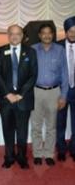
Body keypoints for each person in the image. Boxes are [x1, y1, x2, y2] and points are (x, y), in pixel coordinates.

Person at [0, 25, 38, 169]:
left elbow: (33, 75)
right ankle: (9, 157)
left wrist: (20, 94)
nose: (14, 36)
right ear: (8, 35)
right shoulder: (0, 51)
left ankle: (22, 157)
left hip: (23, 99)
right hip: (6, 100)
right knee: (7, 130)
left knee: (22, 131)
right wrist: (7, 94)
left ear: (22, 35)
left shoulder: (30, 52)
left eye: (17, 34)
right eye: (12, 33)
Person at [31, 24, 68, 166]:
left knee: (52, 126)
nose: (47, 36)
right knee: (36, 125)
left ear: (53, 35)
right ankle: (37, 153)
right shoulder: (33, 49)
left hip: (54, 92)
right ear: (39, 35)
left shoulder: (60, 50)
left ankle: (48, 153)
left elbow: (64, 74)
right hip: (36, 92)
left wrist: (63, 96)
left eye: (49, 33)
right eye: (44, 33)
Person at [57, 16, 75, 162]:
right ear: (65, 31)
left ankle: (74, 148)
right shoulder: (57, 47)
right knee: (60, 121)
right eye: (70, 31)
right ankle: (61, 149)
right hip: (61, 91)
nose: (73, 34)